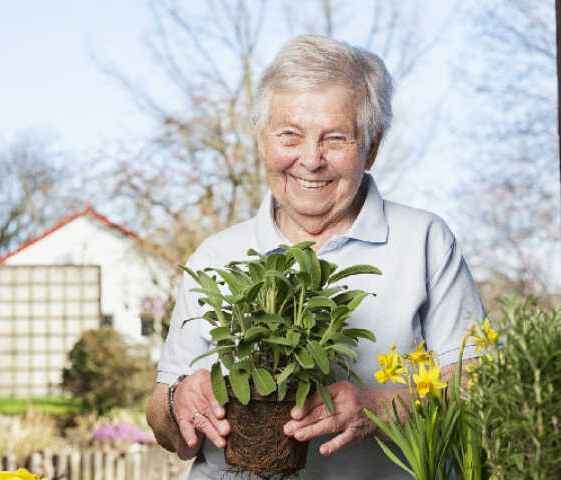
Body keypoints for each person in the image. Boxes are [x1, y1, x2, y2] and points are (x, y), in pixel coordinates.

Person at [146, 35, 485, 479]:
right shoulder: (215, 255)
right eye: (289, 135)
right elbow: (162, 422)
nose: (310, 159)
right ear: (262, 138)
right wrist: (177, 402)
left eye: (336, 138)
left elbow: (478, 389)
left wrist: (378, 407)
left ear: (373, 146)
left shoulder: (425, 240)